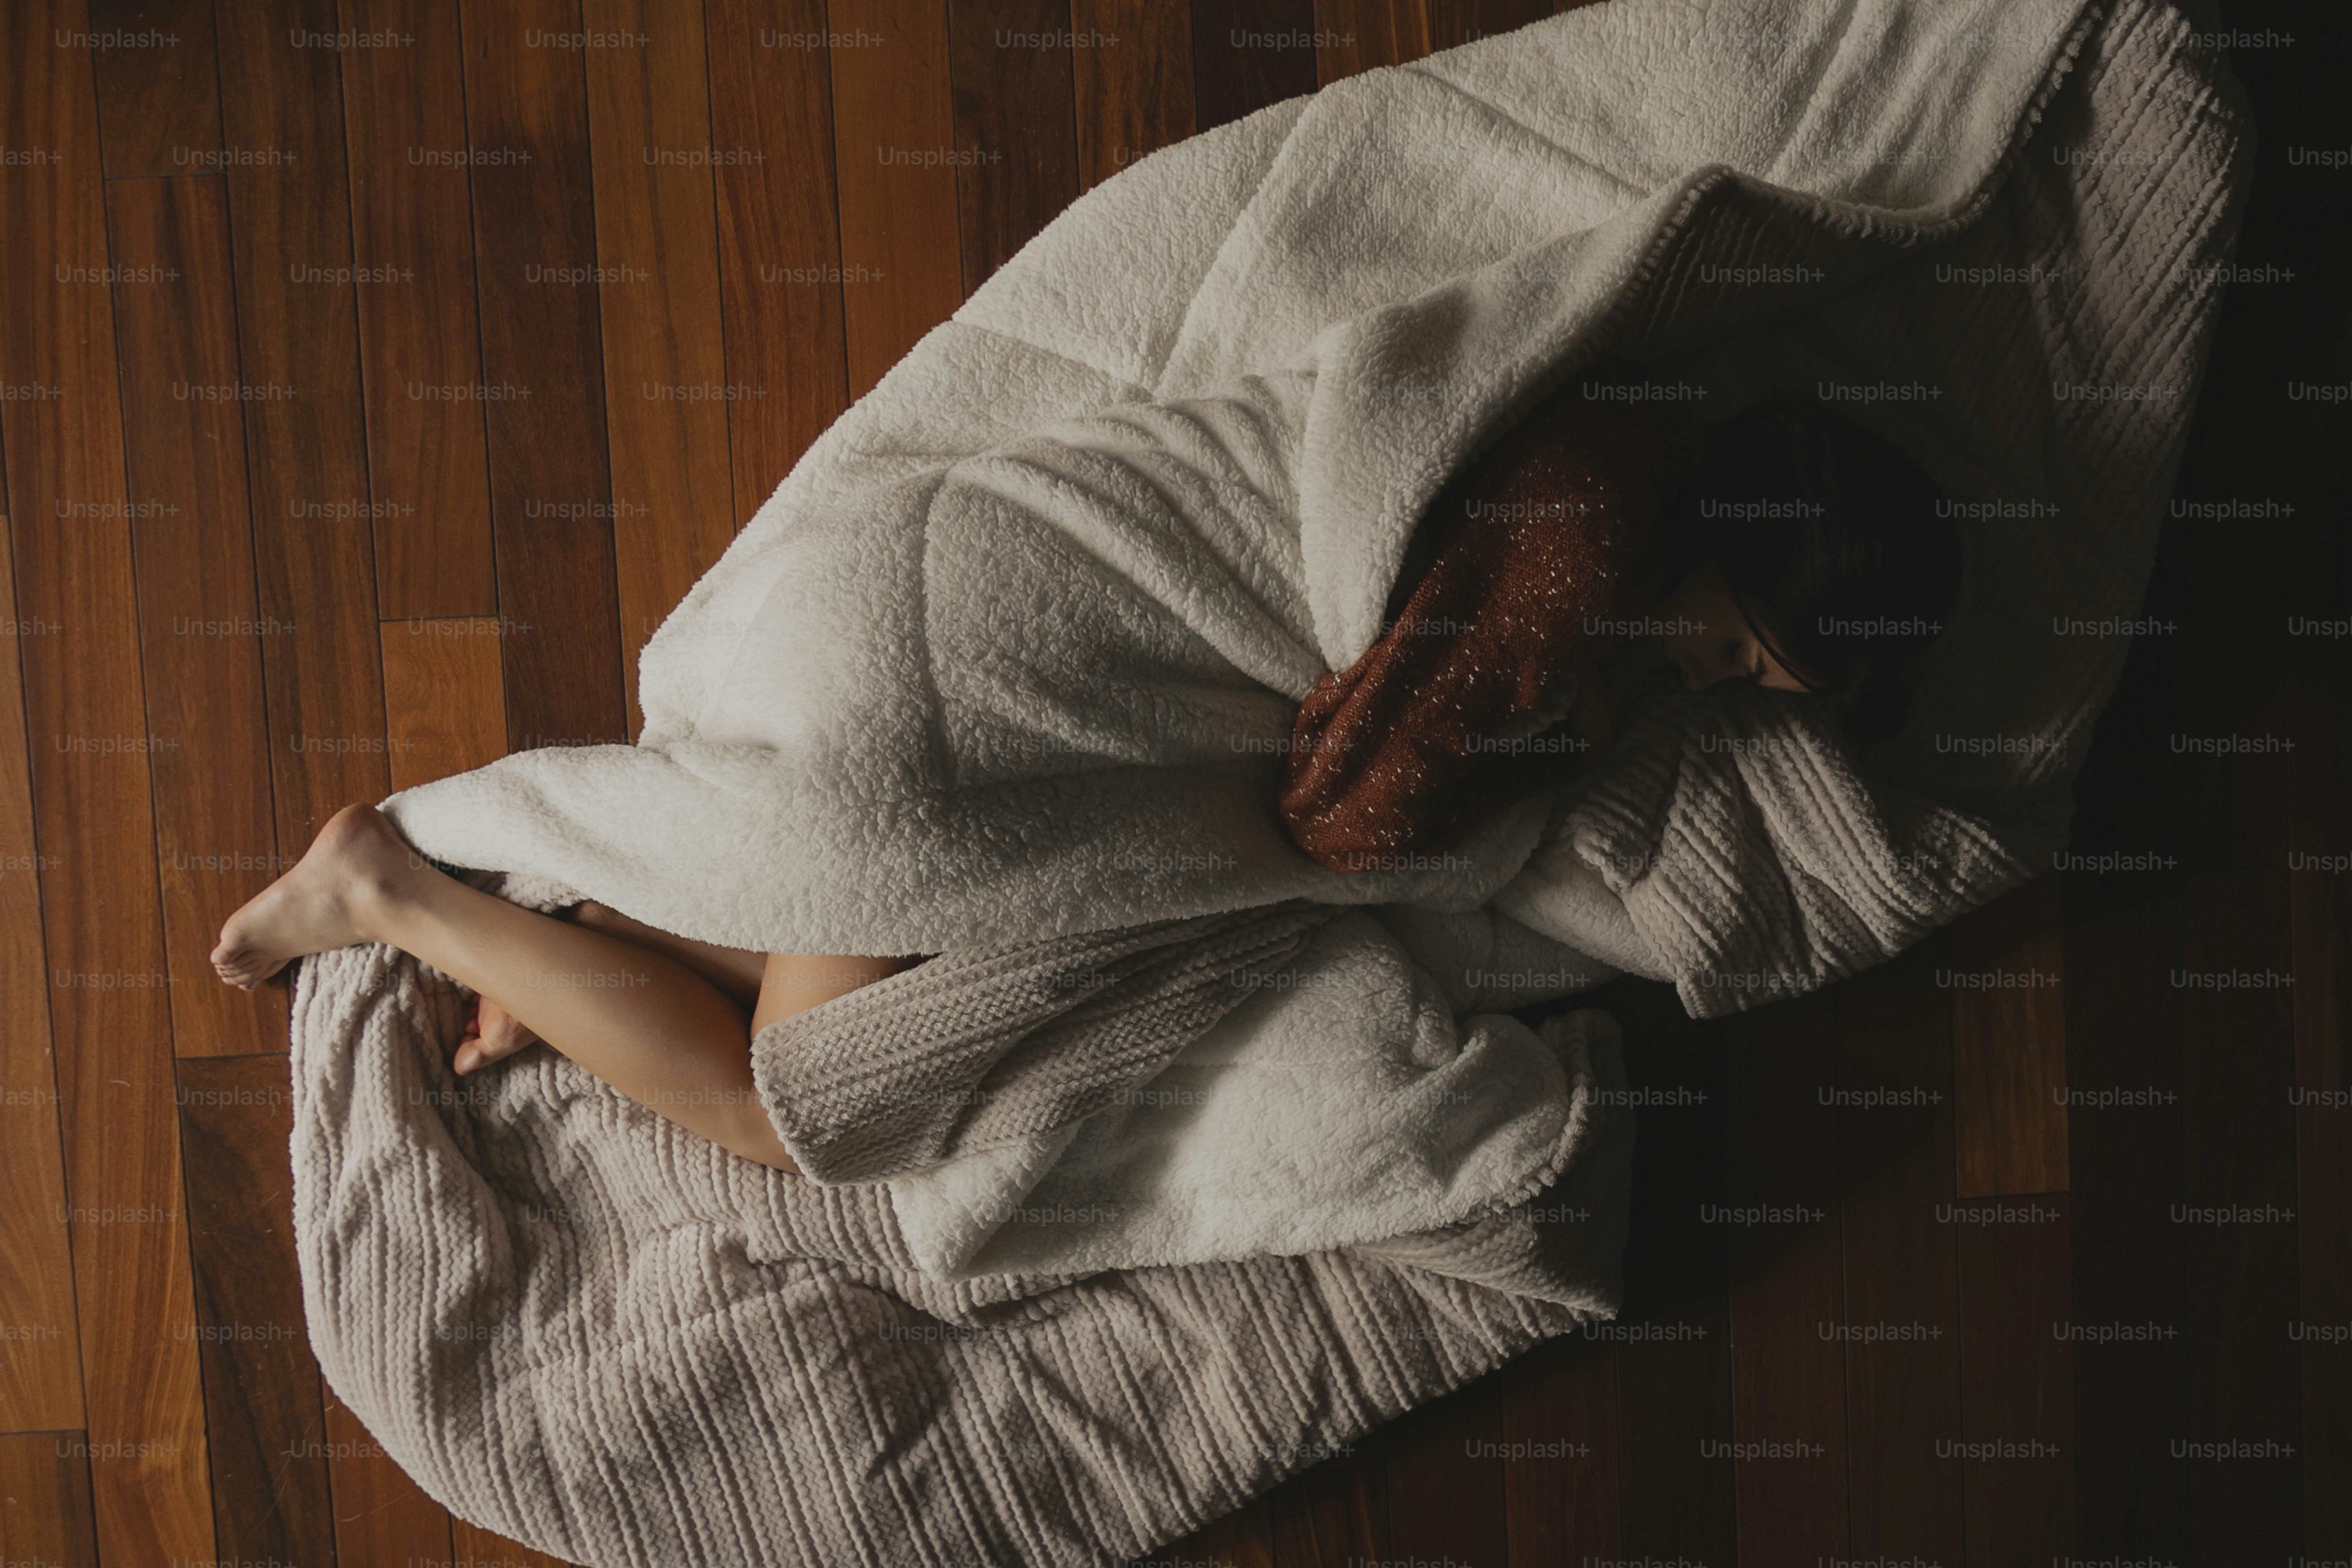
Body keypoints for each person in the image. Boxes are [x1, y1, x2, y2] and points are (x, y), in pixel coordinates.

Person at [211, 381, 1960, 1171]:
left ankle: (598, 933)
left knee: (808, 1003)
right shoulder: (1590, 561)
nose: (1715, 689)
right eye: (1748, 651)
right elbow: (1344, 819)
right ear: (1768, 540)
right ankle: (404, 892)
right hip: (951, 714)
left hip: (933, 587)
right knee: (814, 1109)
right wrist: (1563, 736)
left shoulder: (1608, 434)